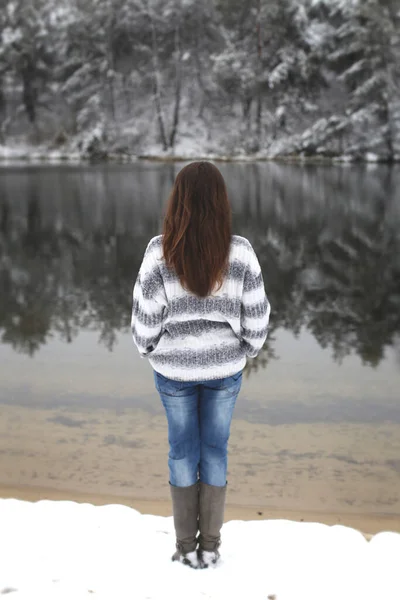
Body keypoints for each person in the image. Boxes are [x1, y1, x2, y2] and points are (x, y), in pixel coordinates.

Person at [131, 161, 270, 569]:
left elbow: (143, 324)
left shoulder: (160, 252)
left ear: (178, 202)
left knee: (180, 452)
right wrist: (244, 350)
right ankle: (210, 546)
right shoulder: (240, 251)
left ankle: (184, 547)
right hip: (225, 371)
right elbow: (258, 319)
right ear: (221, 203)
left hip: (173, 373)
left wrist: (154, 351)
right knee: (215, 450)